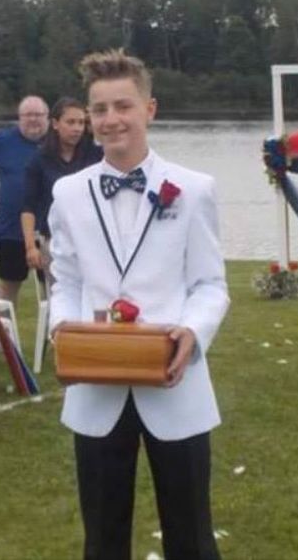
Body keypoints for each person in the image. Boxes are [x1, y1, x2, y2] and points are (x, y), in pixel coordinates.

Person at [48, 50, 230, 560]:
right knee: (102, 540)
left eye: (123, 106)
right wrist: (63, 329)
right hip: (96, 389)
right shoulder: (68, 192)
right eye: (99, 109)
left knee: (192, 538)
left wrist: (192, 333)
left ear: (149, 109)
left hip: (175, 382)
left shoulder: (193, 189)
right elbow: (65, 279)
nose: (111, 120)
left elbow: (210, 284)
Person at [0, 96, 49, 310]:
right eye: (28, 115)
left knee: (51, 285)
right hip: (10, 227)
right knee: (9, 284)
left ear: (48, 117)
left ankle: (54, 327)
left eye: (38, 115)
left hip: (48, 228)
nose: (33, 120)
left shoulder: (57, 141)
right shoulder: (3, 140)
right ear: (19, 118)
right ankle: (4, 329)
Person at [21, 96, 103, 286]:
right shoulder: (39, 160)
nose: (77, 128)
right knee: (58, 294)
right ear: (55, 124)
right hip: (53, 241)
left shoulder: (97, 155)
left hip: (92, 240)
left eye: (81, 122)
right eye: (71, 122)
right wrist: (30, 247)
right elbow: (28, 207)